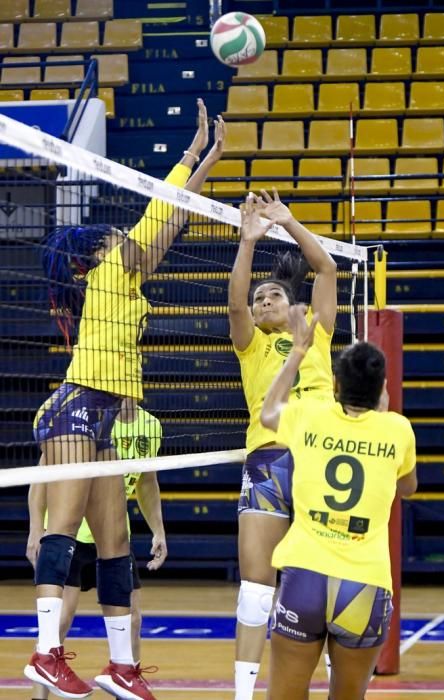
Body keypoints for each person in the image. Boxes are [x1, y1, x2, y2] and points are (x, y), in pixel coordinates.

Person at [24, 99, 225, 700]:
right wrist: (188, 154)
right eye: (120, 236)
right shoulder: (108, 273)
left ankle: (120, 667)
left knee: (116, 544)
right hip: (77, 405)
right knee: (63, 529)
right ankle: (44, 653)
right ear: (102, 253)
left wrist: (208, 161)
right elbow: (160, 212)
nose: (131, 240)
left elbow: (173, 222)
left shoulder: (130, 274)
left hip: (104, 415)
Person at [260, 307, 417, 700]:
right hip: (363, 585)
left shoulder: (310, 416)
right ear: (382, 385)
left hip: (305, 576)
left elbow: (267, 413)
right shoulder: (398, 430)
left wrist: (298, 351)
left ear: (334, 383)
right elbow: (408, 487)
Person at [228, 191, 337, 700]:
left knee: (331, 575)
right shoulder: (250, 345)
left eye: (272, 295)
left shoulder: (314, 331)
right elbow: (233, 302)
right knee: (256, 583)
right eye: (259, 298)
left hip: (320, 455)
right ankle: (244, 693)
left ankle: (340, 681)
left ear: (291, 304)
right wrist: (248, 242)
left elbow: (327, 269)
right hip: (269, 459)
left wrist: (289, 221)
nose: (263, 301)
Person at [27, 398, 166, 700]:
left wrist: (158, 529)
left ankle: (125, 680)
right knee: (61, 620)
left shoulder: (151, 426)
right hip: (73, 534)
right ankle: (41, 690)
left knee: (133, 618)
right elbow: (42, 475)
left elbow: (147, 482)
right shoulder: (83, 415)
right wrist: (36, 527)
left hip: (113, 533)